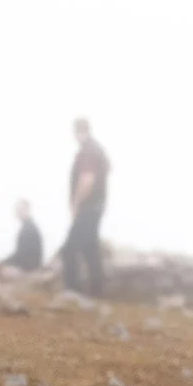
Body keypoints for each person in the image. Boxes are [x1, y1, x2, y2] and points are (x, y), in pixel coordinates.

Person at [60, 119, 109, 297]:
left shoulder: (88, 151)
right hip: (97, 206)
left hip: (88, 207)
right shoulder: (97, 150)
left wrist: (76, 204)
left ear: (79, 131)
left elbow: (87, 179)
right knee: (90, 249)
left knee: (69, 249)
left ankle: (72, 292)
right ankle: (97, 292)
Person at [0, 200, 44, 285]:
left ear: (27, 210)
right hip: (29, 267)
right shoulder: (28, 227)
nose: (18, 213)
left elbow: (20, 255)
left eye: (20, 210)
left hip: (27, 270)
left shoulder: (29, 229)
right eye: (17, 210)